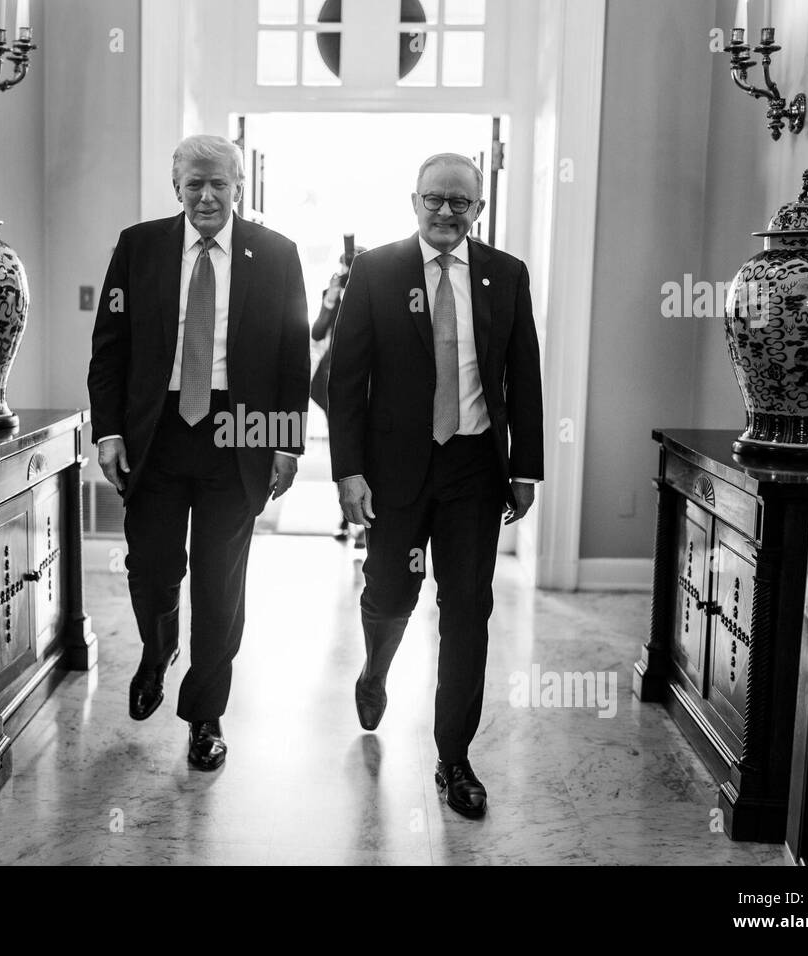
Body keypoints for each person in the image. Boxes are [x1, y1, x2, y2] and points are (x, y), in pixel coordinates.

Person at [327, 152, 543, 817]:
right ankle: (374, 669)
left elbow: (525, 374)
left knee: (467, 610)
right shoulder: (377, 270)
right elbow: (345, 379)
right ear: (413, 201)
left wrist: (526, 467)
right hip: (395, 470)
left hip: (473, 470)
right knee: (390, 590)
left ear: (478, 209)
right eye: (435, 199)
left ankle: (454, 758)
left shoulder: (506, 275)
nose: (446, 211)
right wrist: (348, 470)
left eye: (461, 202)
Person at [87, 134, 309, 771]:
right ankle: (158, 652)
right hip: (155, 436)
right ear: (175, 185)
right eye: (194, 184)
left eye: (219, 183)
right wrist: (109, 431)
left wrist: (285, 442)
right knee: (151, 570)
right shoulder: (140, 247)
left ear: (239, 186)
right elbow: (110, 346)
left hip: (238, 434)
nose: (206, 195)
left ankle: (205, 715)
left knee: (220, 584)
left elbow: (294, 357)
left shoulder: (277, 254)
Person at [309, 238, 366, 543]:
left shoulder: (376, 292)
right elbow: (318, 331)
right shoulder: (333, 294)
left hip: (368, 382)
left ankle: (364, 518)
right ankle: (345, 517)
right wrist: (332, 299)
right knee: (341, 449)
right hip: (333, 379)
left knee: (366, 451)